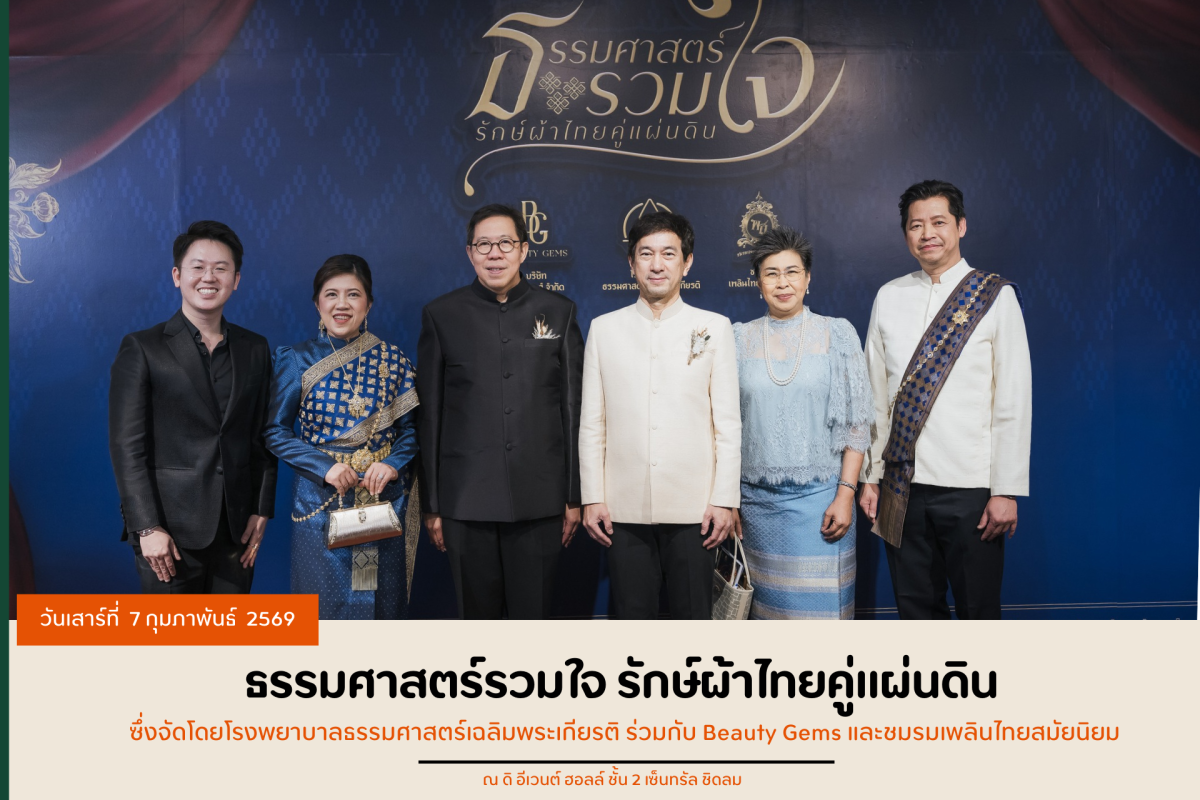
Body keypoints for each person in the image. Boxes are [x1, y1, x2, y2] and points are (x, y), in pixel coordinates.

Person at [858, 180, 1031, 620]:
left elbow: (1012, 401)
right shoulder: (889, 296)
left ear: (961, 226)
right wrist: (871, 477)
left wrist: (1006, 490)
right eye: (916, 225)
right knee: (916, 611)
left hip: (972, 489)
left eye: (938, 222)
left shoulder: (995, 297)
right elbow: (874, 397)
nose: (927, 233)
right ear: (905, 234)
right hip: (901, 486)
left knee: (978, 611)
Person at [417, 203, 584, 619]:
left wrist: (574, 496)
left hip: (541, 500)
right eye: (484, 245)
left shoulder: (559, 311)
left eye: (505, 243)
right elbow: (431, 417)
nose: (495, 253)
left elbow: (573, 410)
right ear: (470, 252)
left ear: (524, 250)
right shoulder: (441, 315)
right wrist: (432, 504)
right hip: (465, 502)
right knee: (478, 626)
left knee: (534, 621)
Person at [579, 211, 741, 619]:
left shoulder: (715, 327)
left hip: (696, 509)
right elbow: (593, 425)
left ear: (687, 262)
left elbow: (727, 425)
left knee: (693, 619)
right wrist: (592, 496)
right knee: (633, 621)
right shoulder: (604, 329)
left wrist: (724, 499)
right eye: (646, 253)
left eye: (669, 253)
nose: (657, 264)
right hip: (621, 509)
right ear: (631, 263)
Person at [109, 220, 277, 593]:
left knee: (228, 632)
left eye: (221, 269)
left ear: (236, 279)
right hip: (168, 534)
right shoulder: (143, 347)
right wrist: (147, 527)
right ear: (177, 276)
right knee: (172, 633)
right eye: (198, 267)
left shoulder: (255, 348)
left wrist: (262, 508)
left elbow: (262, 436)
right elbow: (126, 447)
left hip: (236, 531)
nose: (208, 277)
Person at [265, 255, 419, 619]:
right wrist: (325, 467)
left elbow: (410, 432)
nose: (342, 304)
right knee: (326, 609)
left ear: (369, 304)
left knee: (375, 606)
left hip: (379, 502)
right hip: (321, 502)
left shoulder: (393, 359)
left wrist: (392, 464)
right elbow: (275, 431)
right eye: (331, 294)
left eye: (353, 294)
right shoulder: (296, 359)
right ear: (317, 303)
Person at [732, 227, 872, 619]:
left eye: (792, 272)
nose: (783, 283)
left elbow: (857, 423)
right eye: (771, 273)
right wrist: (729, 500)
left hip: (823, 505)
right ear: (758, 282)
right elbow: (724, 427)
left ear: (808, 279)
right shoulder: (737, 339)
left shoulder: (837, 334)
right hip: (756, 507)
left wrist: (845, 495)